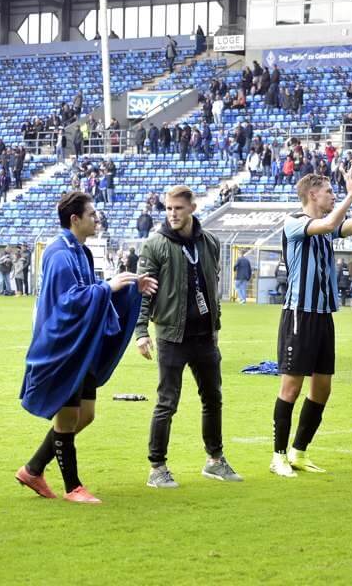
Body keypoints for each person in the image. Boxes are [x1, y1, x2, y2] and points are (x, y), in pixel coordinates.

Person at [15, 192, 154, 503]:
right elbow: (69, 302)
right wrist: (108, 286)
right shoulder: (59, 253)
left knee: (85, 415)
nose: (97, 218)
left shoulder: (81, 251)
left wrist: (129, 288)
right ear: (75, 219)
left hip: (83, 345)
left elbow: (92, 295)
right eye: (91, 213)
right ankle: (73, 487)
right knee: (66, 418)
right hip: (64, 347)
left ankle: (33, 469)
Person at [136, 186, 242, 488]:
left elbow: (212, 286)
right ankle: (157, 467)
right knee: (166, 402)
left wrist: (216, 326)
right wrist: (141, 332)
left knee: (213, 399)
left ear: (192, 208)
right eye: (168, 209)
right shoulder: (155, 245)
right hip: (171, 334)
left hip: (205, 336)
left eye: (178, 209)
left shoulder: (210, 242)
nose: (172, 214)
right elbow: (142, 295)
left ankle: (215, 460)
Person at [270, 168, 352, 477]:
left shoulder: (327, 228)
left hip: (324, 316)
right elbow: (328, 222)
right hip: (300, 314)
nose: (333, 196)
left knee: (322, 387)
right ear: (312, 195)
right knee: (291, 387)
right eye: (329, 191)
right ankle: (278, 456)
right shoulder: (294, 222)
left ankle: (299, 451)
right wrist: (350, 195)